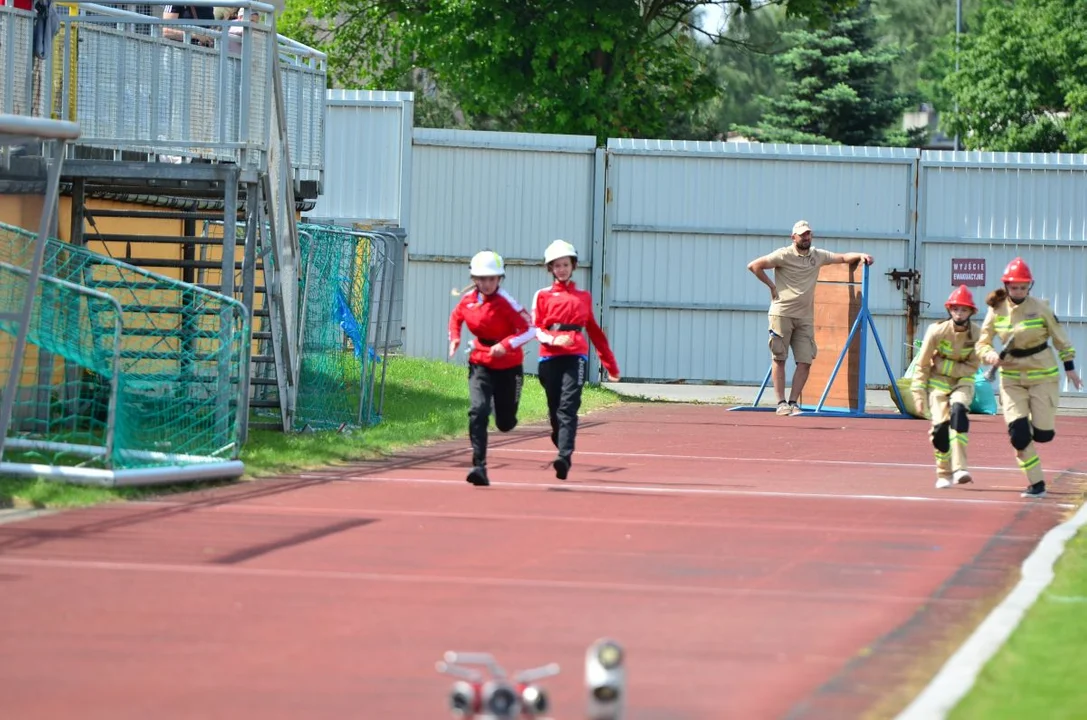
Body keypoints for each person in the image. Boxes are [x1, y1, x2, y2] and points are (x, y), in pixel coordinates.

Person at [976, 257, 1082, 498]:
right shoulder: (997, 310)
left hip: (1042, 375)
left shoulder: (1040, 307)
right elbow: (982, 342)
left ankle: (1041, 430)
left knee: (1043, 434)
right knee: (1019, 435)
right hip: (1011, 377)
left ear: (1029, 286)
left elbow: (1060, 338)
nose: (1019, 291)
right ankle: (1036, 484)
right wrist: (990, 355)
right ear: (1006, 286)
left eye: (1023, 287)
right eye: (1014, 287)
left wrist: (1070, 368)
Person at [746, 220, 874, 416]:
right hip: (782, 313)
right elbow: (754, 266)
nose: (806, 237)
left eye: (808, 234)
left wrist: (860, 255)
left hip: (804, 317)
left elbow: (842, 258)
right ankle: (781, 403)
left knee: (805, 360)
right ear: (793, 237)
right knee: (779, 357)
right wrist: (772, 287)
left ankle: (793, 402)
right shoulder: (783, 254)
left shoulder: (818, 255)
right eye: (802, 234)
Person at [532, 239, 620, 480]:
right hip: (549, 358)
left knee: (569, 407)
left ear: (573, 266)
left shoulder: (584, 297)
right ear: (550, 268)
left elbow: (594, 331)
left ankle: (564, 455)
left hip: (575, 357)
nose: (561, 269)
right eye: (557, 265)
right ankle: (558, 433)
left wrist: (610, 364)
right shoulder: (541, 296)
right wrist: (553, 340)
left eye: (565, 264)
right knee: (555, 409)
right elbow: (536, 328)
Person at [447, 251, 535, 487]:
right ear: (474, 278)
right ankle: (479, 465)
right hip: (480, 363)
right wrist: (454, 338)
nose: (487, 284)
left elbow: (530, 329)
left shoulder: (508, 303)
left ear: (499, 279)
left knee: (505, 423)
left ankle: (501, 408)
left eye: (492, 279)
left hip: (509, 366)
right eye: (482, 279)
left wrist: (505, 345)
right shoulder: (468, 301)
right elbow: (456, 318)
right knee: (478, 411)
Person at [911, 285, 981, 489]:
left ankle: (960, 469)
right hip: (938, 385)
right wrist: (918, 394)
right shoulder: (936, 330)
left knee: (959, 415)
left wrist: (942, 364)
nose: (959, 313)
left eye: (964, 309)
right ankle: (943, 472)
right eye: (956, 309)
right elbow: (923, 364)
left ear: (971, 312)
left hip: (963, 384)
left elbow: (973, 367)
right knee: (940, 429)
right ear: (949, 310)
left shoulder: (977, 334)